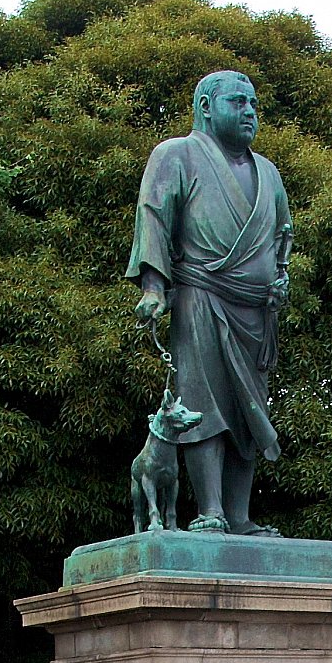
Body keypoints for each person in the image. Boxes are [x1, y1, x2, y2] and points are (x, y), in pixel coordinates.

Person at [126, 70, 292, 536]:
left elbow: (282, 234)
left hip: (255, 309)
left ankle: (239, 516)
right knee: (204, 400)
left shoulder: (268, 172)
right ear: (205, 107)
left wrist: (280, 277)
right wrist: (154, 287)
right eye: (238, 102)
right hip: (200, 293)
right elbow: (154, 217)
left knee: (249, 408)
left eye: (253, 104)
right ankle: (211, 511)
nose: (249, 112)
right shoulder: (176, 155)